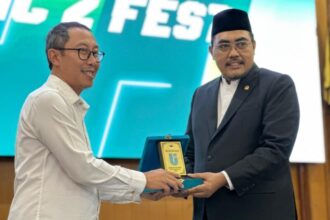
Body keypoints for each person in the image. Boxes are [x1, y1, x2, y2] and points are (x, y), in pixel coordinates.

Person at [8, 22, 183, 220]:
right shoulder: (47, 99)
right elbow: (84, 169)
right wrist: (143, 180)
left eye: (96, 53)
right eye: (83, 52)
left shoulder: (68, 104)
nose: (93, 61)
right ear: (54, 56)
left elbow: (85, 183)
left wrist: (142, 190)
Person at [183, 9, 300, 220]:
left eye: (241, 43)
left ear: (254, 46)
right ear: (211, 52)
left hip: (259, 212)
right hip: (207, 213)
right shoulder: (201, 94)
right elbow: (191, 151)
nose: (234, 53)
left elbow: (275, 150)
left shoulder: (277, 85)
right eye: (224, 46)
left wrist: (223, 178)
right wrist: (180, 181)